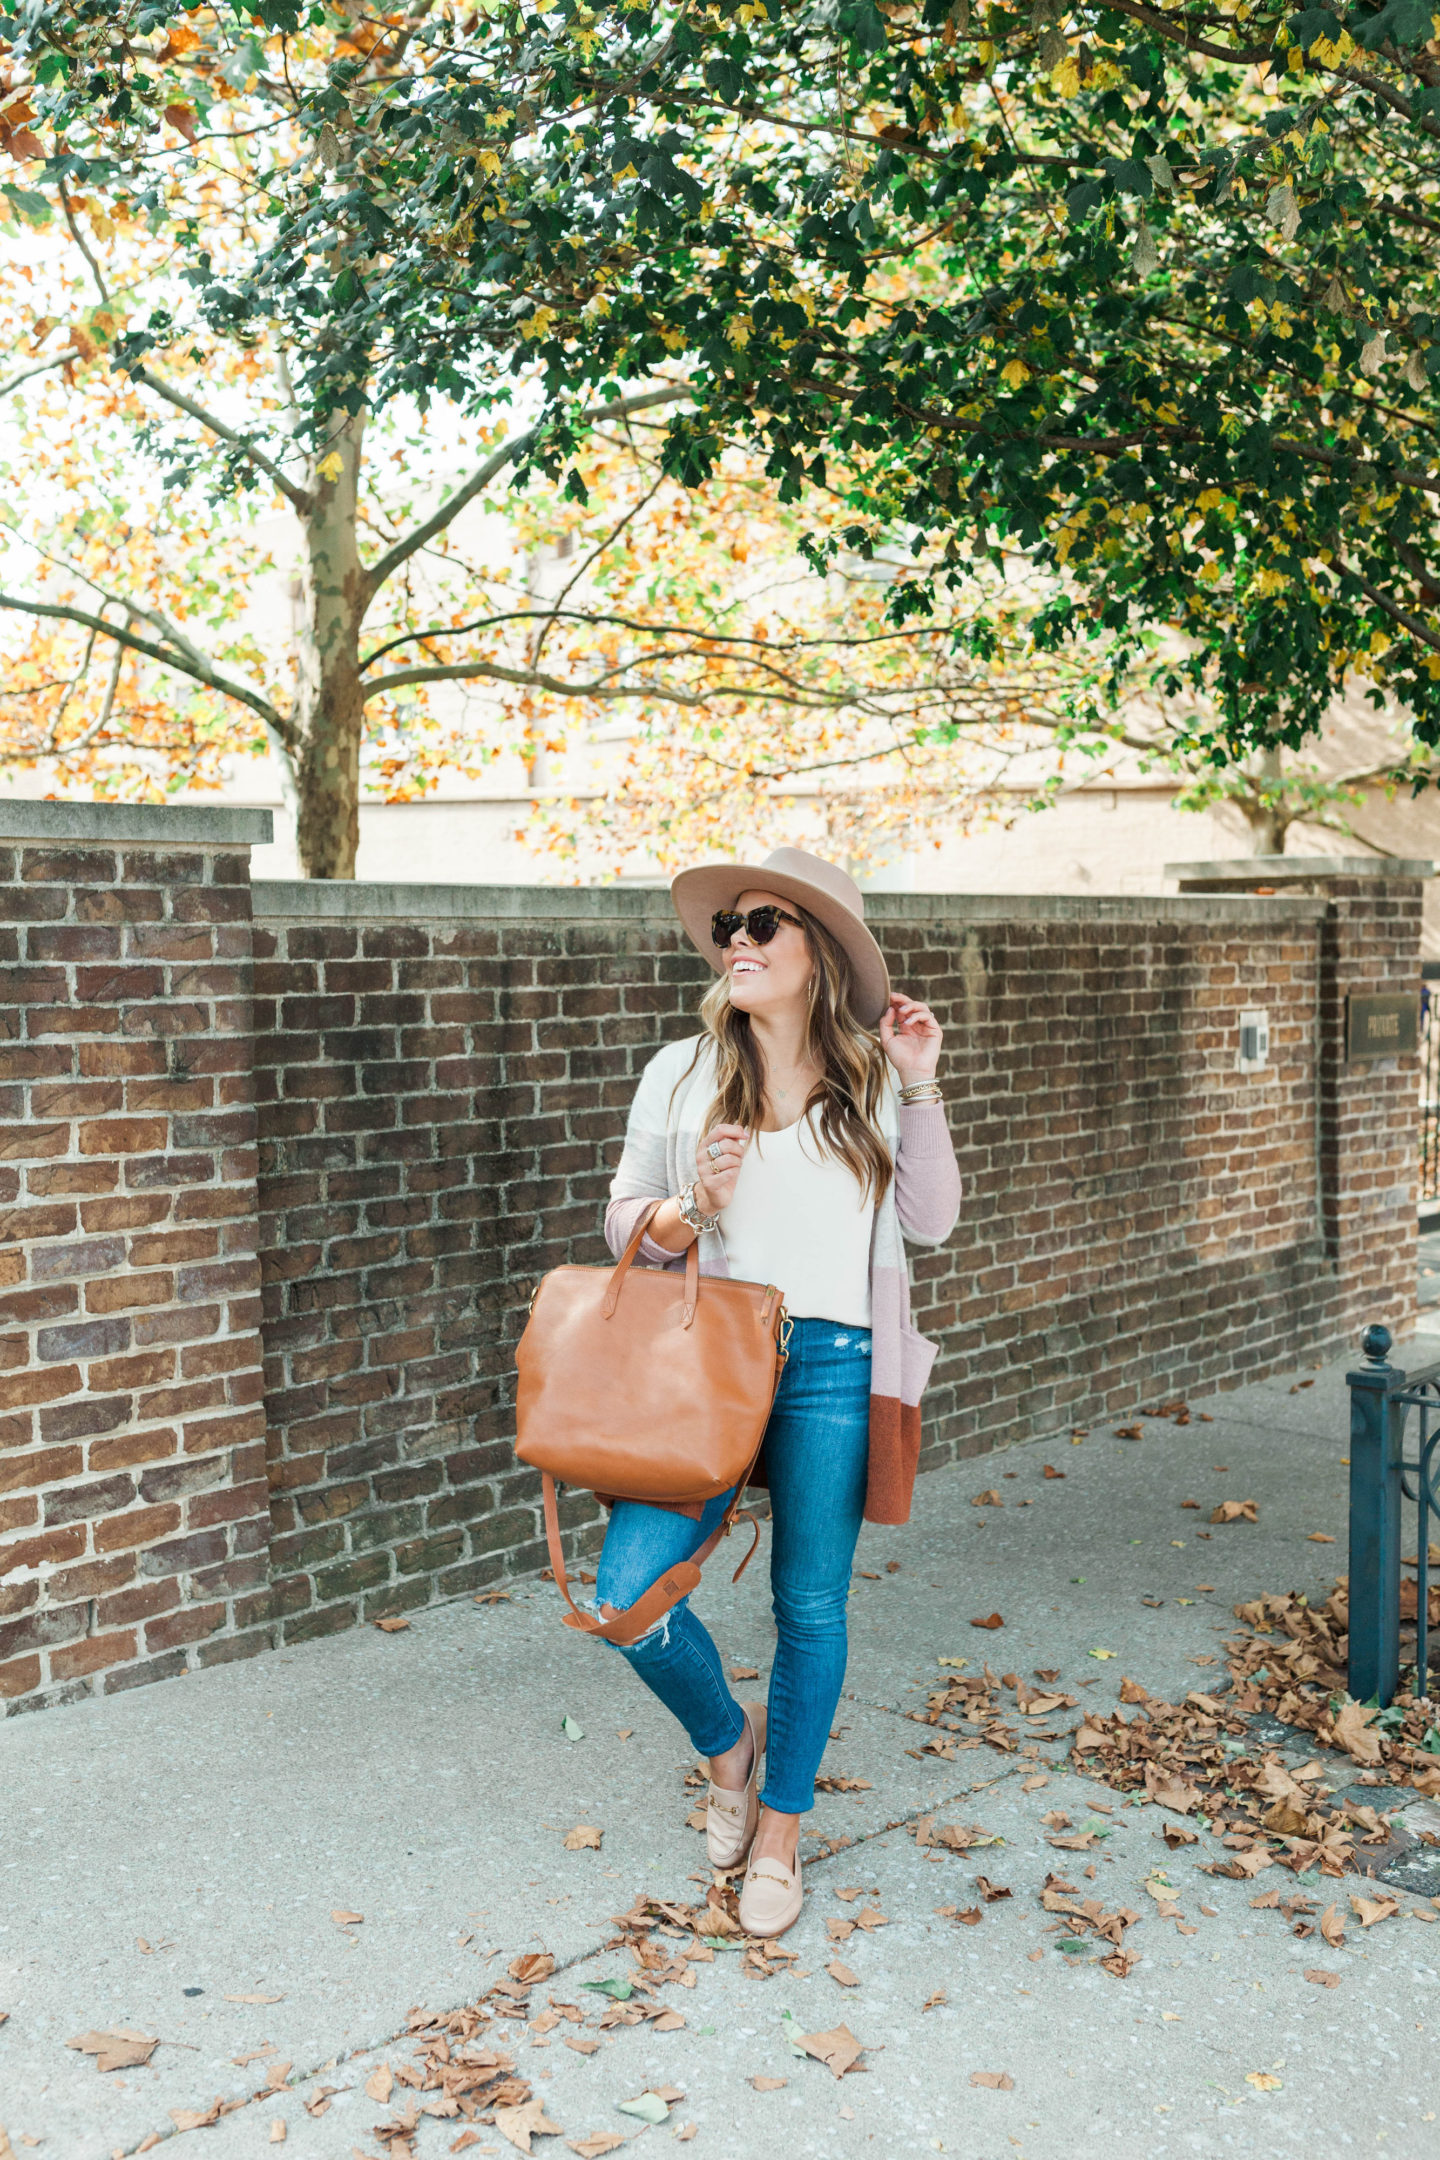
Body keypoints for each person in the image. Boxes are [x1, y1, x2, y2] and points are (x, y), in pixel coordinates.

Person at [596, 846, 961, 1937]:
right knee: (629, 1595)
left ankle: (783, 1830)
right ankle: (728, 1748)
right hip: (706, 1356)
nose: (739, 942)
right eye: (728, 929)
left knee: (809, 1607)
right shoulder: (681, 1071)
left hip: (835, 1367)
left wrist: (922, 1080)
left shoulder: (870, 1078)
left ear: (818, 952)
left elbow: (932, 1222)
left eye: (764, 924)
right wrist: (688, 1210)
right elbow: (623, 1220)